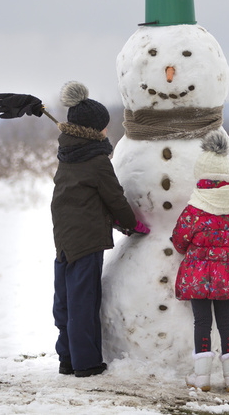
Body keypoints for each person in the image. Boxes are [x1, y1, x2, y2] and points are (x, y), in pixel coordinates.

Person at [50, 81, 149, 377]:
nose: (107, 131)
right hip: (87, 239)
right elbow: (114, 198)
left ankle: (67, 358)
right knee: (83, 301)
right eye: (104, 127)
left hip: (64, 237)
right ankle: (87, 363)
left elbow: (86, 197)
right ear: (95, 131)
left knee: (65, 301)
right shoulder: (96, 161)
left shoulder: (68, 155)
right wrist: (133, 224)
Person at [171, 130, 229, 392]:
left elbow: (179, 240)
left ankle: (201, 377)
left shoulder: (194, 209)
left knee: (202, 323)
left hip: (198, 274)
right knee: (227, 322)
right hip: (227, 274)